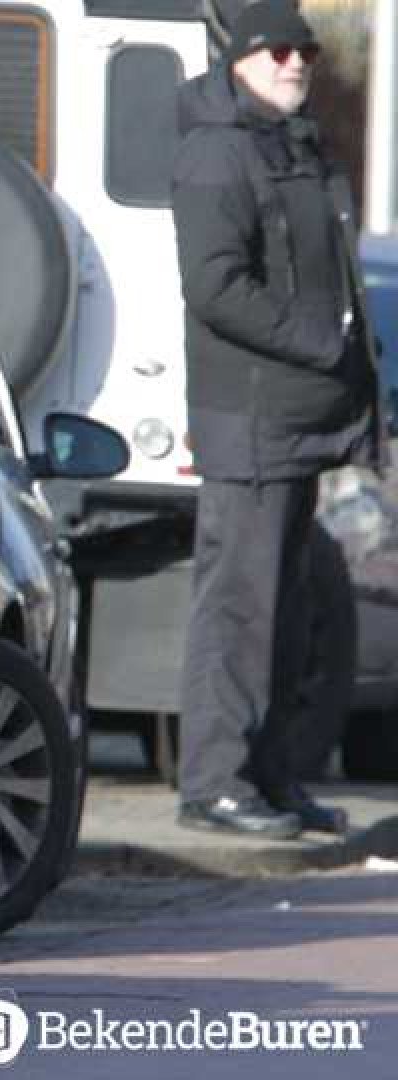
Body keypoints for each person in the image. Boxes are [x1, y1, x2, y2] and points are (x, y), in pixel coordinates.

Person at [172, 0, 376, 840]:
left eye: (307, 50)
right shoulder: (218, 152)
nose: (297, 62)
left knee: (288, 612)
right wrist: (318, 344)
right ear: (244, 60)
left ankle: (271, 777)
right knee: (239, 610)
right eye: (280, 50)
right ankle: (215, 785)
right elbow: (215, 286)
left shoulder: (297, 143)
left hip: (306, 425)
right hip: (251, 423)